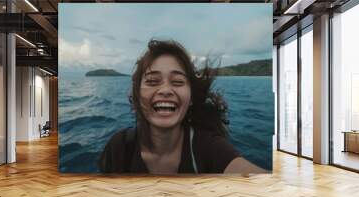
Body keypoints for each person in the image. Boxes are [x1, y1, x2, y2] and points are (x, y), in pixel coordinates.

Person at [98, 39, 265, 174]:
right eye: (152, 81)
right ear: (137, 95)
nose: (165, 90)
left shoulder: (209, 148)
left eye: (178, 82)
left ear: (191, 97)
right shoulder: (119, 147)